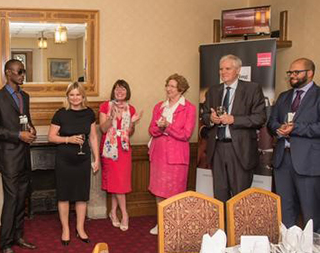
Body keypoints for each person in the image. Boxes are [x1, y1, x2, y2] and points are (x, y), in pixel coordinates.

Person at [0, 59, 37, 253]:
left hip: (24, 156)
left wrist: (31, 129)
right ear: (8, 73)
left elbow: (26, 119)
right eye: (19, 71)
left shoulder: (24, 96)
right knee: (11, 200)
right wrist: (18, 135)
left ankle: (17, 236)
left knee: (22, 198)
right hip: (8, 158)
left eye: (24, 71)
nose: (23, 75)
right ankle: (5, 244)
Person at [201, 54, 266, 202]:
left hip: (240, 150)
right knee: (220, 193)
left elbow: (260, 118)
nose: (223, 72)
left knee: (239, 197)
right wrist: (211, 119)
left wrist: (234, 119)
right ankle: (222, 225)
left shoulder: (252, 89)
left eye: (227, 68)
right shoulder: (213, 91)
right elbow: (204, 115)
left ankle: (238, 226)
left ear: (238, 70)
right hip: (217, 148)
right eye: (221, 69)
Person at [267, 58, 320, 232]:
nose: (292, 76)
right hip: (283, 161)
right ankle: (289, 251)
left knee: (310, 212)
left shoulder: (318, 96)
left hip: (308, 162)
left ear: (310, 73)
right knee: (285, 211)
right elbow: (271, 122)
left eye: (297, 72)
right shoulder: (284, 96)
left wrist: (296, 128)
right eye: (290, 72)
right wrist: (279, 129)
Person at [48, 82, 100, 246]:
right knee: (63, 195)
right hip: (64, 160)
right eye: (72, 95)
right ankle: (66, 229)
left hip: (83, 159)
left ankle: (80, 228)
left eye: (78, 94)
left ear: (83, 96)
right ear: (67, 96)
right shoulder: (61, 114)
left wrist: (96, 158)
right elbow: (51, 137)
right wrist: (68, 139)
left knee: (81, 196)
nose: (75, 97)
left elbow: (92, 137)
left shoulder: (89, 113)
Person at [147, 74, 196, 235]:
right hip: (159, 155)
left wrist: (167, 127)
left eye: (172, 86)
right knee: (159, 190)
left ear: (181, 89)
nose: (168, 89)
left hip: (176, 156)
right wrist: (160, 128)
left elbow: (186, 134)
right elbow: (151, 130)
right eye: (167, 85)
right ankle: (161, 223)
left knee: (175, 192)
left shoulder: (189, 108)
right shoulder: (159, 107)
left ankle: (174, 225)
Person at [99, 79, 140, 232]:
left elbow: (130, 132)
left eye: (123, 89)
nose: (120, 92)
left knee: (120, 183)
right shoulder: (105, 106)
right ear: (113, 91)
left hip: (123, 149)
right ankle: (124, 214)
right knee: (117, 184)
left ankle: (112, 212)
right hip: (110, 148)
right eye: (117, 89)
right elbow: (103, 129)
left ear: (127, 92)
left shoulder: (131, 109)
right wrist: (111, 117)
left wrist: (132, 124)